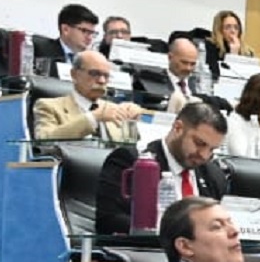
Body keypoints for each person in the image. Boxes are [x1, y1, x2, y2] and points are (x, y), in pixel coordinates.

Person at [96, 101, 230, 233]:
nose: (204, 155)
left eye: (212, 149)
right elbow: (108, 221)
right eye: (199, 143)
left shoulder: (214, 176)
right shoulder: (132, 161)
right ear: (178, 128)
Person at [33, 50, 142, 143]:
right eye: (94, 74)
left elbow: (130, 152)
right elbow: (43, 141)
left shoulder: (115, 110)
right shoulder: (48, 106)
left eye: (106, 76)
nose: (102, 81)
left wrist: (132, 123)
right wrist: (93, 118)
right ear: (74, 74)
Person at [160, 36, 205, 112]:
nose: (188, 68)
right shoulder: (154, 82)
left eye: (192, 64)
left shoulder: (198, 84)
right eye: (184, 62)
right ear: (170, 57)